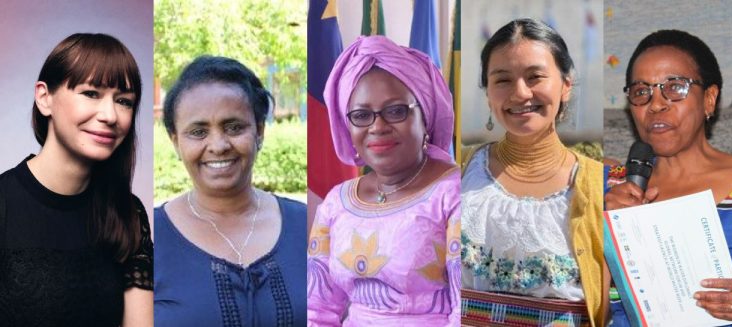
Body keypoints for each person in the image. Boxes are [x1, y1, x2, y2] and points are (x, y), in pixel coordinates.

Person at [605, 29, 732, 326]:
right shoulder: (606, 188)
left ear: (709, 99)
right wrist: (601, 232)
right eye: (641, 91)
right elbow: (576, 307)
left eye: (675, 87)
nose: (656, 104)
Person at [460, 19, 607, 326]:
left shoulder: (601, 185)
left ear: (566, 85)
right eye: (502, 80)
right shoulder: (459, 172)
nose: (520, 93)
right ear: (487, 93)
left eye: (535, 77)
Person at [307, 35, 460, 326]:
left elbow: (465, 311)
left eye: (395, 111)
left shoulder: (456, 194)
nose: (378, 126)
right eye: (361, 115)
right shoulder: (336, 202)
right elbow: (316, 309)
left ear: (425, 116)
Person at [0, 33, 152, 326]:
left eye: (124, 101)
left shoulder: (128, 212)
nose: (110, 115)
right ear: (44, 98)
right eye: (91, 93)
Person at [153, 56, 307, 326]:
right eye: (198, 132)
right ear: (175, 141)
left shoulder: (308, 224)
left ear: (259, 131)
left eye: (234, 127)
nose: (219, 145)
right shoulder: (145, 237)